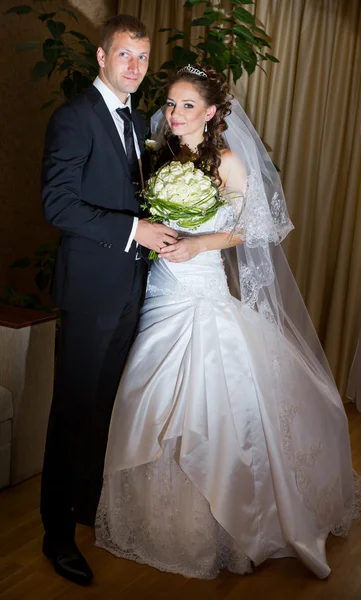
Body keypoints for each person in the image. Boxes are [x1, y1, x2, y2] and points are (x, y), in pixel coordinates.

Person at [95, 64, 360, 579]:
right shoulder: (156, 153)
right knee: (148, 394)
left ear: (212, 112)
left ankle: (232, 521)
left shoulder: (229, 161)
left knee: (210, 401)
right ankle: (161, 516)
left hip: (203, 287)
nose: (173, 114)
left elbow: (254, 229)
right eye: (170, 103)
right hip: (157, 289)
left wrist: (197, 242)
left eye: (187, 105)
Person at [40, 14, 178, 585]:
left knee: (103, 407)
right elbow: (58, 205)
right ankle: (55, 535)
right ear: (102, 57)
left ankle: (84, 505)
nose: (135, 67)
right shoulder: (74, 118)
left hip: (132, 288)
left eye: (142, 58)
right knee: (72, 409)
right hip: (91, 288)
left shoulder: (141, 121)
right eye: (124, 55)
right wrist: (133, 232)